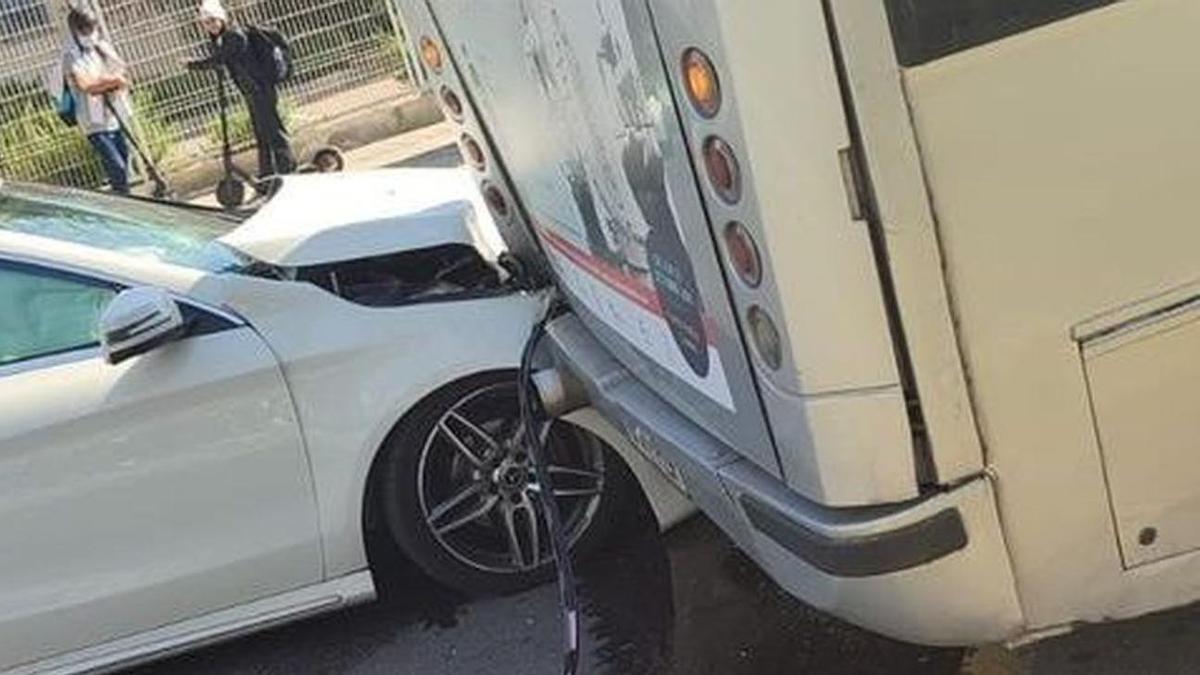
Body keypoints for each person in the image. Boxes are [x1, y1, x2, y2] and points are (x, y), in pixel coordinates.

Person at [187, 0, 295, 185]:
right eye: (206, 22)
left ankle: (289, 170)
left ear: (222, 19)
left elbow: (220, 58)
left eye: (213, 20)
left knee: (273, 131)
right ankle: (267, 174)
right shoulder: (222, 38)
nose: (210, 25)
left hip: (260, 88)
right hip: (252, 91)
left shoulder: (234, 36)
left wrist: (192, 64)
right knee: (262, 134)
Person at [54, 8, 134, 194]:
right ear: (75, 31)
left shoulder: (102, 47)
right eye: (85, 30)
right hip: (94, 122)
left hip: (115, 114)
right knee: (117, 166)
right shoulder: (71, 56)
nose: (90, 34)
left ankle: (123, 199)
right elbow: (85, 85)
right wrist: (110, 81)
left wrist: (111, 82)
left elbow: (122, 72)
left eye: (92, 28)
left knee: (124, 164)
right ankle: (124, 203)